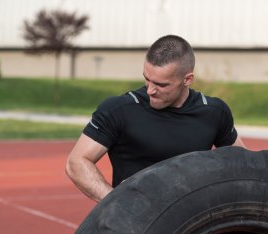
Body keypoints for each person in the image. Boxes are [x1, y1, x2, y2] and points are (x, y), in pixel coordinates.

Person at [66, 35, 245, 202]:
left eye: (161, 84)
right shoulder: (119, 109)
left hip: (191, 224)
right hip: (135, 225)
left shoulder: (214, 111)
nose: (150, 89)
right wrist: (116, 203)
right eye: (147, 79)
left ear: (187, 79)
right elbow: (76, 162)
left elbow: (243, 164)